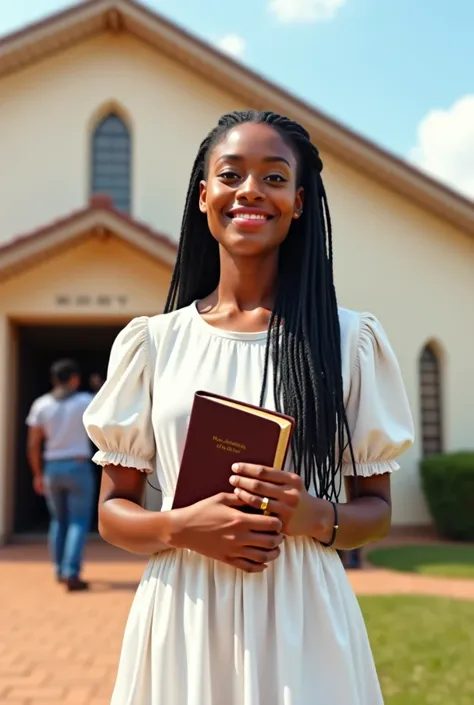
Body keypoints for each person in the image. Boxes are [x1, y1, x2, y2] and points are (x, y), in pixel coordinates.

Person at [83, 110, 414, 704]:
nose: (251, 191)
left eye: (274, 177)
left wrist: (314, 515)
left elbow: (376, 511)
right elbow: (113, 511)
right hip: (184, 608)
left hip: (302, 611)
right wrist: (180, 527)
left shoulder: (349, 340)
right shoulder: (152, 343)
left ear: (300, 201)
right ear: (204, 194)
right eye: (231, 174)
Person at [26, 359, 103, 591]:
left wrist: (37, 474)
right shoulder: (84, 401)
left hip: (51, 467)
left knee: (58, 521)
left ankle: (59, 570)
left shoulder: (41, 405)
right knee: (78, 521)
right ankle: (71, 572)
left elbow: (33, 444)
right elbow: (108, 409)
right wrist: (99, 387)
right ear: (74, 379)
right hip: (78, 466)